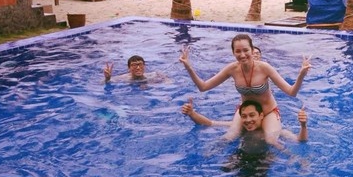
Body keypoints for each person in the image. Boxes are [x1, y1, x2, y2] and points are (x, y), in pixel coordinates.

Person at [179, 34, 311, 145]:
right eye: (238, 51)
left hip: (268, 112)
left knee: (270, 141)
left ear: (252, 50)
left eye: (246, 50)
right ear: (233, 52)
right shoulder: (232, 69)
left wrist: (301, 75)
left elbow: (291, 92)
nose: (242, 55)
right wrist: (188, 67)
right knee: (229, 137)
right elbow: (203, 87)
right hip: (246, 112)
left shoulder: (265, 68)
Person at [182, 98, 308, 152]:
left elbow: (300, 140)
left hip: (264, 159)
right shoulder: (240, 128)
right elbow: (210, 123)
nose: (248, 120)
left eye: (252, 115)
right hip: (240, 156)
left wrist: (303, 126)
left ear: (261, 116)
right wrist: (192, 113)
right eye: (244, 116)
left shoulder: (273, 132)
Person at [103, 55, 168, 83]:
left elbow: (164, 77)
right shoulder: (123, 78)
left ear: (144, 66)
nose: (138, 68)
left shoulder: (152, 75)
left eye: (140, 64)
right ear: (129, 68)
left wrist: (166, 80)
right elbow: (102, 83)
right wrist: (107, 79)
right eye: (134, 65)